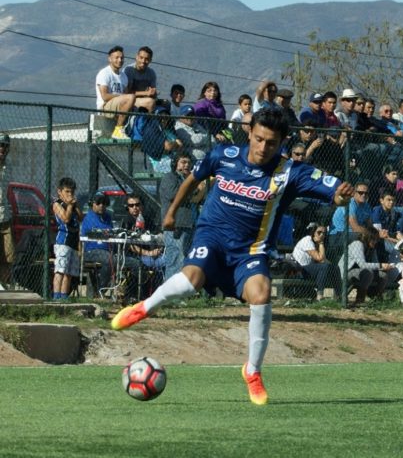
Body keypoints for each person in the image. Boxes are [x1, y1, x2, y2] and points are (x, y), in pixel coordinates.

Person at [111, 108, 354, 406]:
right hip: (211, 235)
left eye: (272, 143)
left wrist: (342, 196)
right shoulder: (223, 154)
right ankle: (144, 308)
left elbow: (335, 193)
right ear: (249, 132)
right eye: (259, 139)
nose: (263, 148)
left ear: (282, 143)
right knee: (191, 282)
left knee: (261, 294)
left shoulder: (291, 171)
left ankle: (252, 371)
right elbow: (193, 177)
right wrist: (172, 211)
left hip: (250, 249)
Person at [81, 192, 141, 299]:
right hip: (92, 251)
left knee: (135, 263)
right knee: (110, 260)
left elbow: (112, 233)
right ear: (92, 204)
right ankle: (99, 291)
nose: (101, 206)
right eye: (98, 203)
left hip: (110, 252)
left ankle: (132, 294)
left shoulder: (108, 217)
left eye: (104, 203)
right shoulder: (89, 217)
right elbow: (95, 233)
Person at [159, 152, 205, 281]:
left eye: (189, 163)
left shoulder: (189, 179)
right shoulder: (170, 177)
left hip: (190, 224)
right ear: (175, 164)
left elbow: (197, 199)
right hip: (176, 225)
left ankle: (183, 293)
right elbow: (174, 194)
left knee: (186, 259)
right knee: (175, 259)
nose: (187, 165)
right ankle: (171, 294)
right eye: (183, 162)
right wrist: (195, 189)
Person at [338, 227, 395, 305]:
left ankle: (376, 298)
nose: (375, 241)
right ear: (367, 237)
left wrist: (384, 267)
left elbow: (376, 264)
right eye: (373, 239)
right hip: (347, 272)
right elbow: (362, 264)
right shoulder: (357, 244)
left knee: (383, 275)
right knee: (368, 273)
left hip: (362, 272)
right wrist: (381, 265)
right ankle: (360, 300)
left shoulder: (372, 248)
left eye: (377, 239)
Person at [51, 177, 83, 300]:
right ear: (60, 191)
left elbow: (81, 218)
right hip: (63, 241)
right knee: (60, 270)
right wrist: (69, 206)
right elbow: (65, 219)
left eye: (72, 192)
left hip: (73, 241)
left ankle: (64, 296)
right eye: (67, 192)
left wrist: (75, 206)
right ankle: (56, 296)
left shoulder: (73, 205)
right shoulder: (57, 204)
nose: (70, 195)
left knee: (69, 272)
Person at [95, 46, 135, 139]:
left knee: (145, 103)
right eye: (116, 57)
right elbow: (104, 96)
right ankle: (118, 130)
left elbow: (125, 97)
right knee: (131, 97)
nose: (120, 60)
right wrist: (120, 96)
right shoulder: (104, 73)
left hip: (118, 106)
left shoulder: (124, 76)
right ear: (110, 59)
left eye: (121, 58)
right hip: (105, 107)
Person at [292, 223, 340, 300]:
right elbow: (320, 259)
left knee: (335, 268)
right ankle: (319, 296)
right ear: (313, 233)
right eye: (319, 232)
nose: (321, 235)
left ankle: (338, 296)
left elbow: (323, 260)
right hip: (300, 269)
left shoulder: (315, 243)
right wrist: (321, 243)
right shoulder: (307, 240)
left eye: (324, 233)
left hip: (309, 268)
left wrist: (332, 267)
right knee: (324, 267)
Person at [124, 46, 157, 113]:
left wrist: (153, 92)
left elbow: (152, 90)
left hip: (144, 99)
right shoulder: (129, 70)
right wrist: (146, 93)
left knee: (166, 104)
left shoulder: (151, 73)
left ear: (150, 60)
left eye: (147, 59)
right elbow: (126, 92)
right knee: (150, 102)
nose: (143, 61)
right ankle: (145, 122)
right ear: (136, 57)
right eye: (141, 58)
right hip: (130, 100)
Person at [0, 133, 12, 286]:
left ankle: (4, 286)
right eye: (0, 144)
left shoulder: (8, 166)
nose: (2, 148)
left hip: (5, 216)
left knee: (8, 256)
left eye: (5, 145)